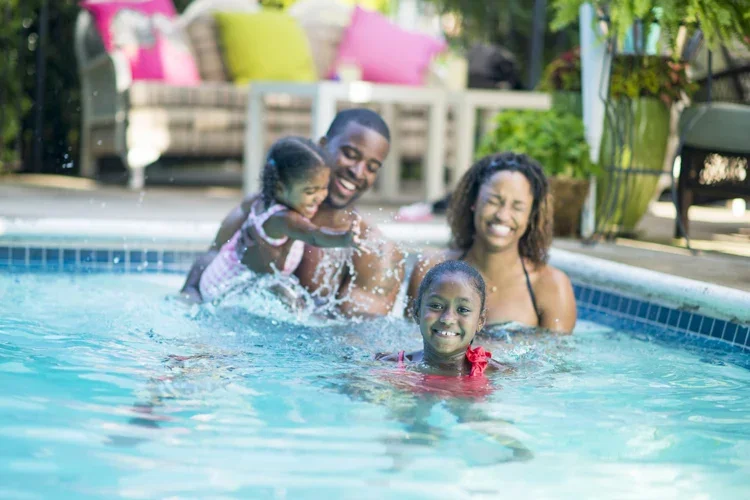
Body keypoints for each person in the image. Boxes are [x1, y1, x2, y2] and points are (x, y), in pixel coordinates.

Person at [181, 108, 404, 316]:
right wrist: (188, 300)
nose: (357, 172)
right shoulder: (262, 208)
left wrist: (271, 280)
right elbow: (209, 260)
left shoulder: (374, 252)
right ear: (323, 145)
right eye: (350, 154)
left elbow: (354, 343)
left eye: (372, 168)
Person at [406, 152, 577, 333]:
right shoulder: (431, 269)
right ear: (474, 202)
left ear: (531, 215)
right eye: (493, 201)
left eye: (517, 206)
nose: (502, 215)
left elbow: (558, 360)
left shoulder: (551, 286)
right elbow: (409, 344)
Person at [198, 136, 364, 302]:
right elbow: (314, 235)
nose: (320, 197)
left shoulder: (261, 200)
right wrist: (344, 238)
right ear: (280, 187)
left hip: (214, 279)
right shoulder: (283, 219)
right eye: (310, 191)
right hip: (223, 289)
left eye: (324, 188)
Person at [378, 260, 509, 379]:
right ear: (417, 312)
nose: (448, 319)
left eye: (462, 309)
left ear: (480, 321)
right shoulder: (391, 366)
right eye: (436, 306)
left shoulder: (496, 373)